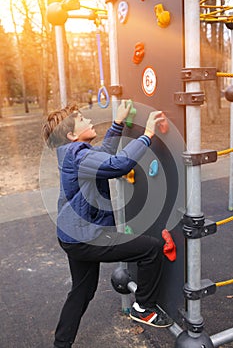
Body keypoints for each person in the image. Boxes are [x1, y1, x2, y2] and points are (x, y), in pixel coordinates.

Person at [42, 100, 177, 348]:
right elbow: (118, 165)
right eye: (83, 119)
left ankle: (61, 344)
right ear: (72, 135)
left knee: (82, 291)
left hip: (72, 235)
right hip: (85, 237)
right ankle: (143, 307)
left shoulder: (75, 152)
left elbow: (104, 155)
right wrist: (147, 134)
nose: (90, 120)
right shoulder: (77, 155)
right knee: (150, 248)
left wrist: (116, 125)